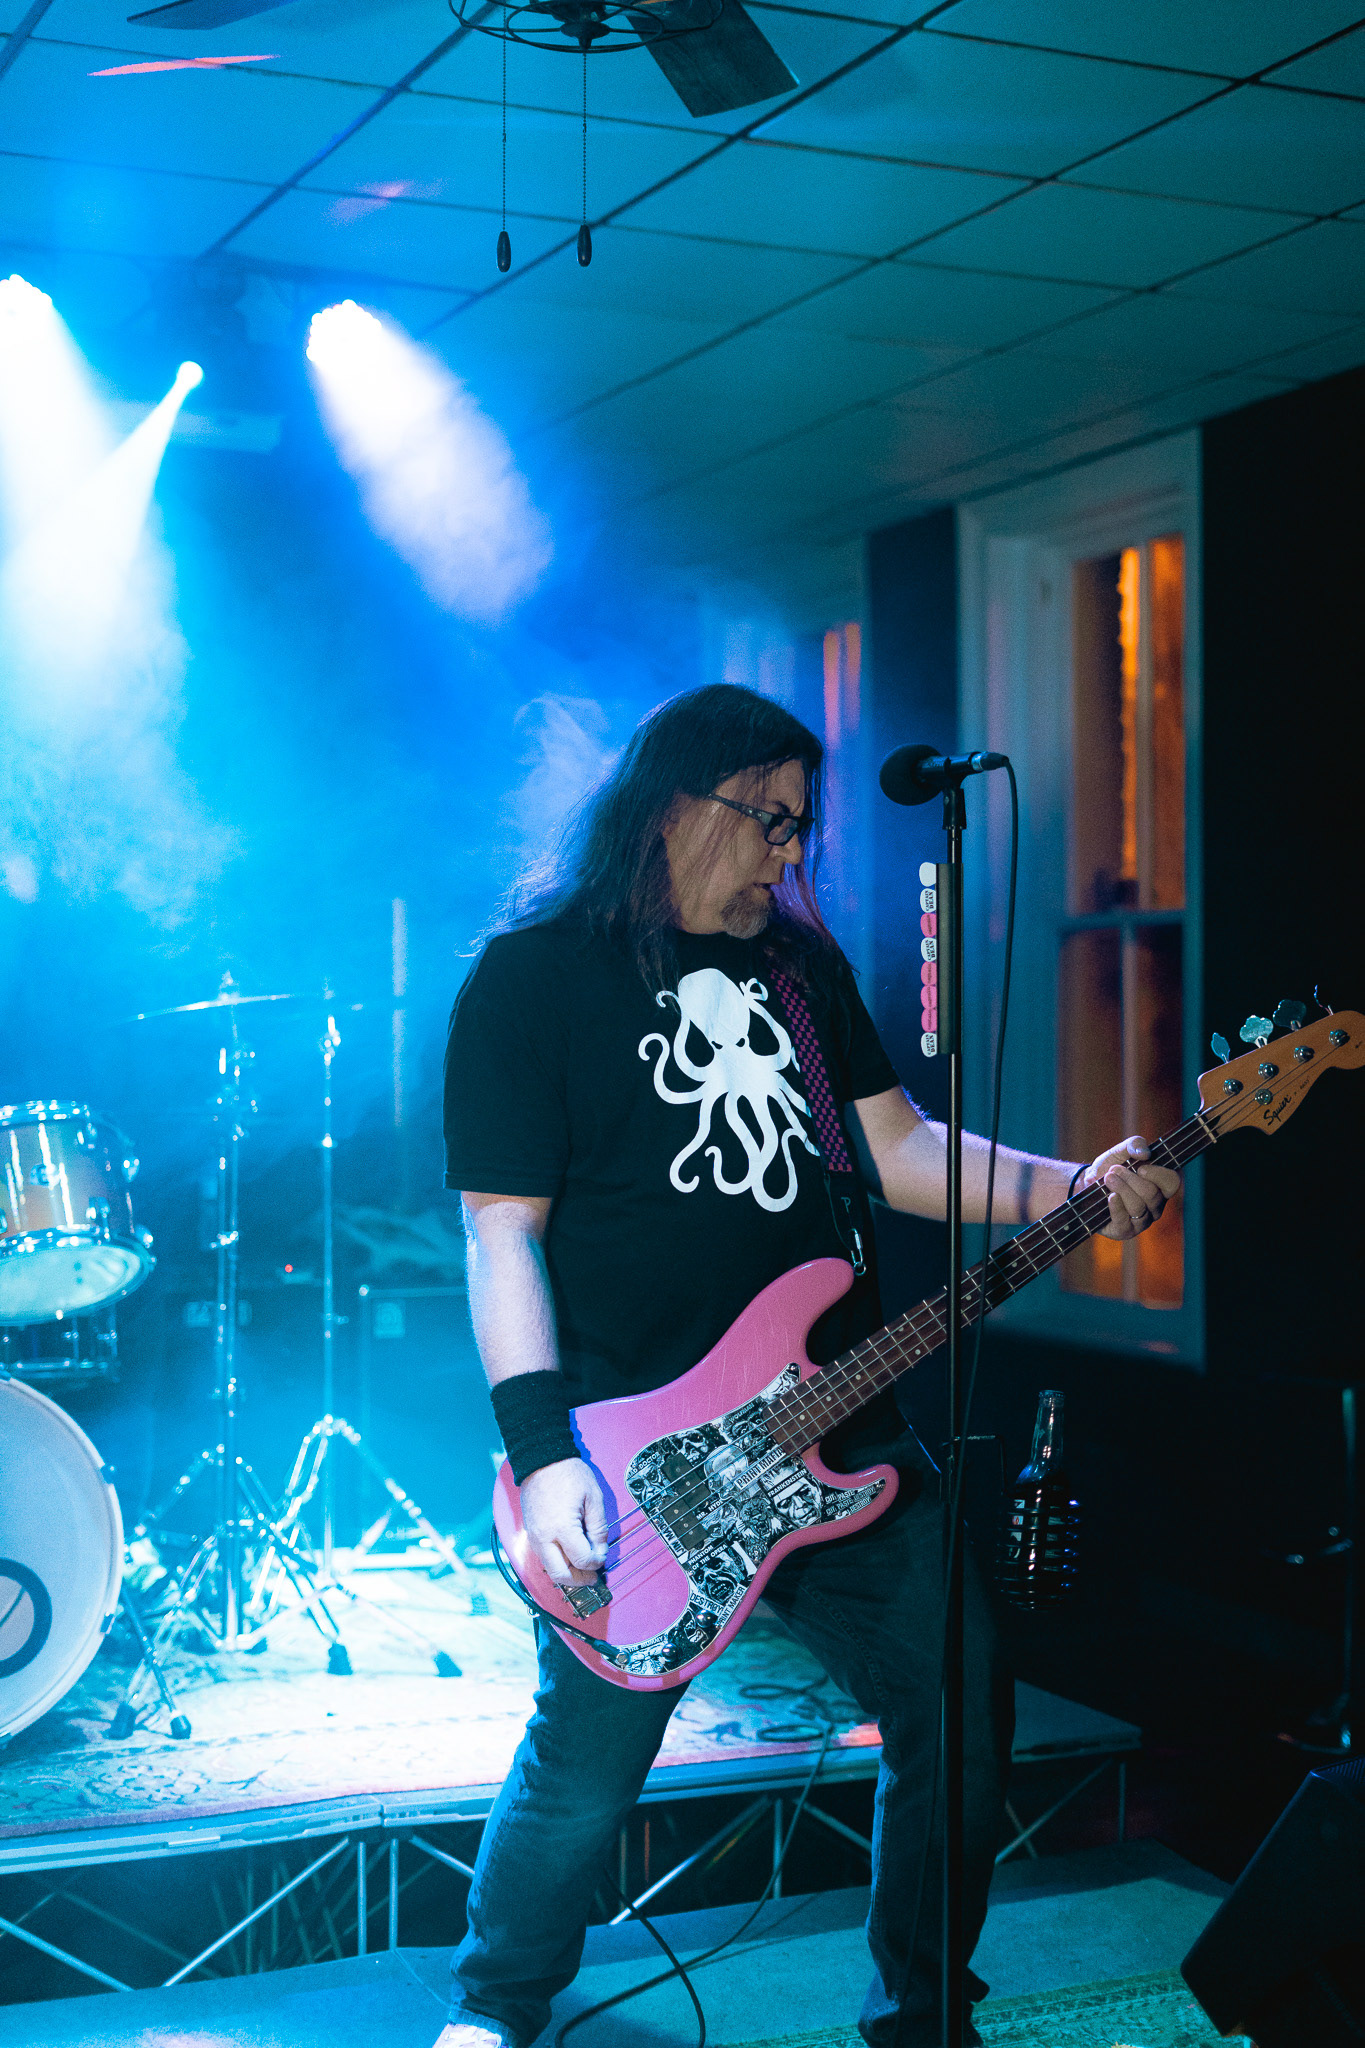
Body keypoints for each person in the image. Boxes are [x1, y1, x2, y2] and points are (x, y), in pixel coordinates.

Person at [436, 684, 1179, 2048]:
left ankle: (922, 2015)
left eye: (801, 828)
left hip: (840, 1422)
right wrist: (543, 1454)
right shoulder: (533, 979)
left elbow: (900, 1150)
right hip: (641, 1452)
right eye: (768, 820)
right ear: (675, 805)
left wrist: (1071, 1184)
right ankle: (495, 2000)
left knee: (956, 1699)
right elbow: (501, 1235)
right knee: (589, 1768)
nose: (789, 855)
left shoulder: (799, 969)